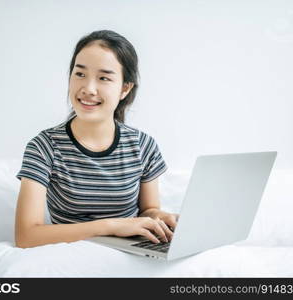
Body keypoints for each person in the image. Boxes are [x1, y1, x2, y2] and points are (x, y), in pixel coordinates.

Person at [15, 29, 179, 249]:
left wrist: (159, 217)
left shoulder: (143, 146)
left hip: (130, 259)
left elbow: (148, 210)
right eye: (80, 74)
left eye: (104, 78)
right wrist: (110, 226)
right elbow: (26, 236)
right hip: (69, 259)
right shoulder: (44, 147)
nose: (88, 89)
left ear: (124, 88)